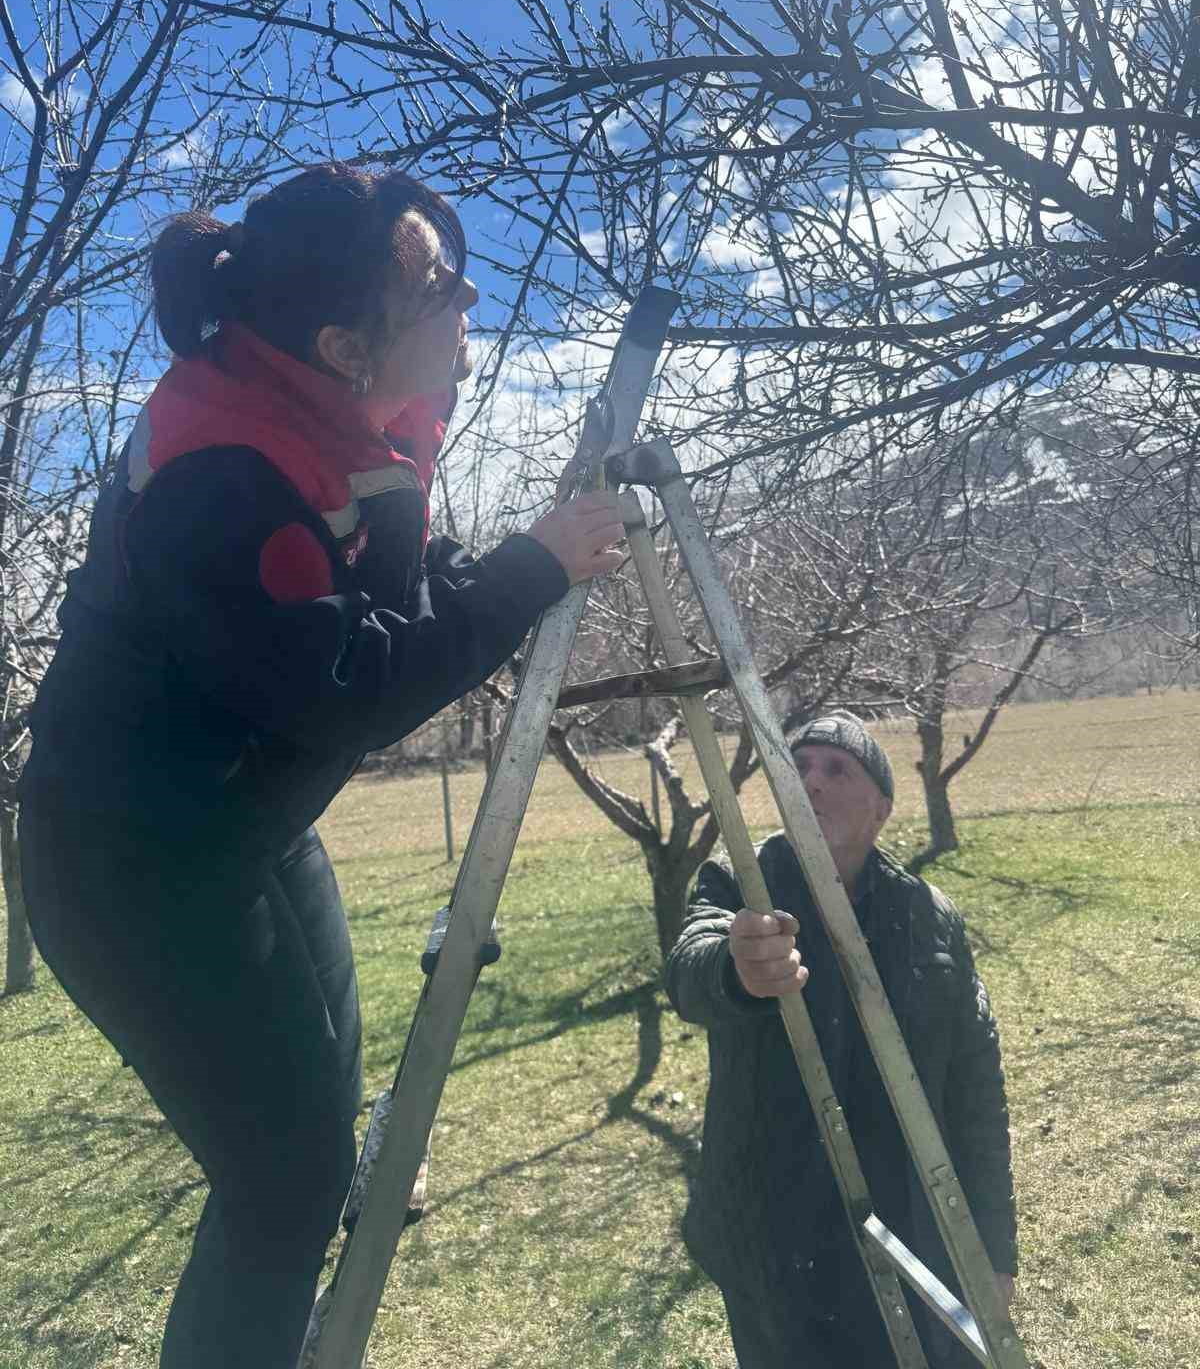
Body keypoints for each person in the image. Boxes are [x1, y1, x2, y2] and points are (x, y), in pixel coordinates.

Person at [17, 162, 624, 1369]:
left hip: (244, 822)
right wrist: (534, 568)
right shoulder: (223, 477)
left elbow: (390, 601)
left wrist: (514, 556)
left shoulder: (331, 409)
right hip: (133, 868)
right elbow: (351, 685)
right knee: (283, 1184)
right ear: (347, 343)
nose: (469, 302)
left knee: (321, 1119)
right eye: (439, 287)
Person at [665, 710, 1017, 1369]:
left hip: (909, 1223)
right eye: (797, 767)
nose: (812, 782)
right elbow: (691, 963)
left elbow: (976, 1088)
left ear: (881, 808)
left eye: (836, 769)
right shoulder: (741, 882)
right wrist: (735, 969)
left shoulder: (929, 917)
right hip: (778, 1239)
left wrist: (994, 1250)